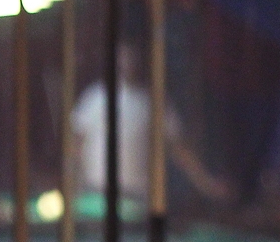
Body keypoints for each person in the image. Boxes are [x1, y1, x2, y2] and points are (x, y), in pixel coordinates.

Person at [72, 43, 231, 204]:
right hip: (95, 195)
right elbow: (75, 146)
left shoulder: (154, 102)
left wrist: (207, 184)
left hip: (137, 199)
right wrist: (73, 187)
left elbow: (179, 150)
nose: (127, 63)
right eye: (122, 58)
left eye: (131, 57)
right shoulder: (94, 98)